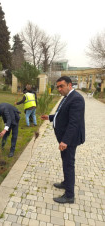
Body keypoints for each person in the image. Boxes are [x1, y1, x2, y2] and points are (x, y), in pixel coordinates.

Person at [41, 76, 85, 204]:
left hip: (70, 140)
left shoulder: (76, 99)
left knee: (68, 165)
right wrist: (49, 117)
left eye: (62, 86)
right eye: (58, 87)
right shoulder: (67, 97)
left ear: (70, 85)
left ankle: (69, 195)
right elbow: (61, 115)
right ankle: (66, 183)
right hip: (65, 138)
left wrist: (65, 141)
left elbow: (74, 123)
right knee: (65, 162)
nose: (59, 89)